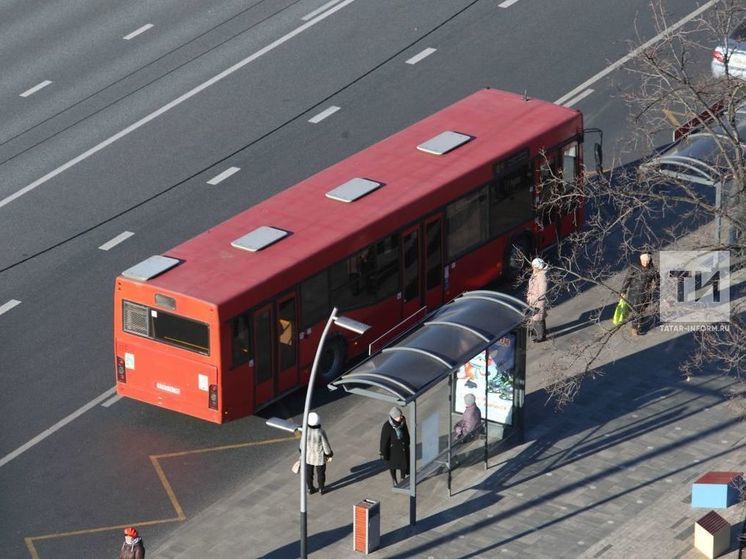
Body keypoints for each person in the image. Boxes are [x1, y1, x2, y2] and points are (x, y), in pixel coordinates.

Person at [621, 251, 658, 335]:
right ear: (640, 260)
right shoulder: (635, 267)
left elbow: (658, 280)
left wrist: (655, 286)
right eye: (644, 261)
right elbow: (627, 279)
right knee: (636, 310)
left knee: (641, 310)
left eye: (647, 261)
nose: (645, 263)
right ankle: (634, 329)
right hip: (635, 293)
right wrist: (623, 291)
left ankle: (638, 325)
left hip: (646, 294)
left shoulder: (653, 270)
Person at [302, 411, 333, 495]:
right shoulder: (320, 432)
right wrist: (329, 453)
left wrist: (301, 451)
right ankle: (321, 489)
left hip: (308, 456)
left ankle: (310, 488)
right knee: (321, 473)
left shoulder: (305, 430)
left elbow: (302, 444)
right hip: (319, 457)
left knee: (309, 473)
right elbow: (325, 444)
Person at [380, 406, 410, 486]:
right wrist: (384, 453)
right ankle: (394, 479)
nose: (400, 417)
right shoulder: (387, 426)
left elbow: (406, 432)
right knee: (392, 466)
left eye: (400, 415)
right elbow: (384, 441)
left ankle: (403, 478)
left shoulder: (403, 421)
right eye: (398, 416)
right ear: (393, 417)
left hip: (402, 448)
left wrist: (407, 442)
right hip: (393, 451)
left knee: (404, 465)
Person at [526, 257, 549, 342]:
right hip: (533, 300)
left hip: (538, 302)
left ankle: (541, 336)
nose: (532, 268)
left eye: (533, 266)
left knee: (538, 318)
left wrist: (538, 304)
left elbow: (542, 292)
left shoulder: (542, 277)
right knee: (536, 318)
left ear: (537, 267)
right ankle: (539, 333)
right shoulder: (536, 273)